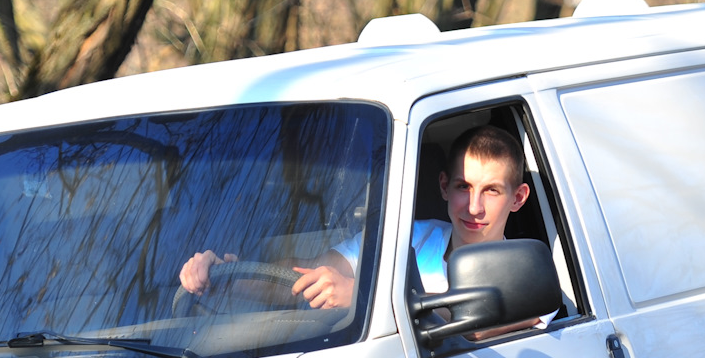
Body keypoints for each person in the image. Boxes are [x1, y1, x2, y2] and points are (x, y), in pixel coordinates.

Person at [179, 124, 532, 312]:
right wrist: (226, 276)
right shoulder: (408, 237)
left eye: (491, 191)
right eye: (463, 186)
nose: (473, 207)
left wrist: (364, 299)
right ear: (443, 186)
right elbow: (303, 275)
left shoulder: (526, 271)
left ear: (517, 198)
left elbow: (473, 330)